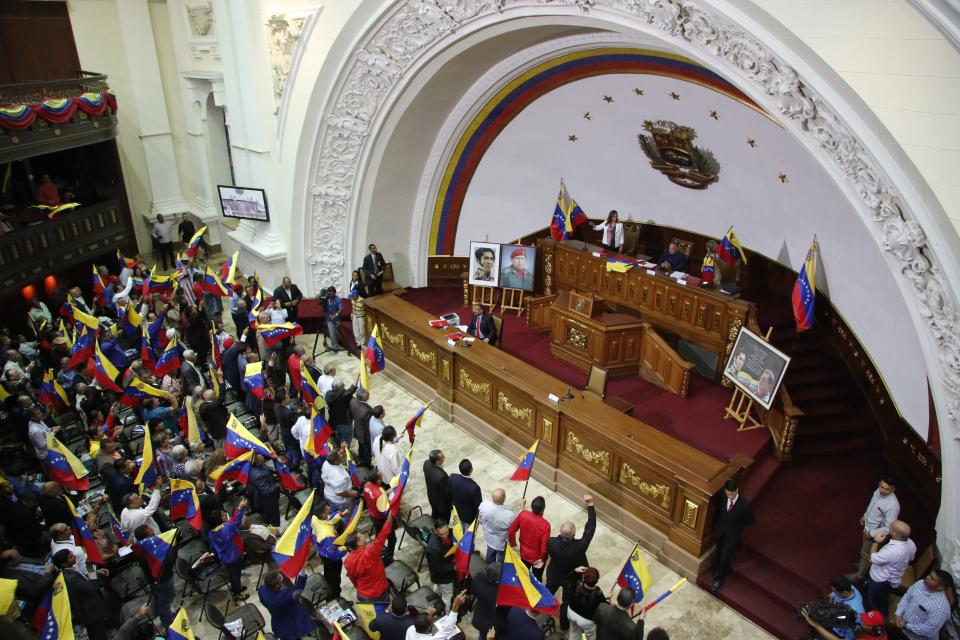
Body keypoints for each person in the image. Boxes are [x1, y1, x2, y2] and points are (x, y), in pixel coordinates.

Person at [546, 494, 596, 615]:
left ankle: (541, 610)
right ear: (574, 534)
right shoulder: (580, 547)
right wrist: (590, 505)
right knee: (566, 602)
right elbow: (590, 528)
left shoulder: (551, 543)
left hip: (554, 574)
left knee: (547, 594)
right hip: (572, 578)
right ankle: (564, 623)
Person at [51, 549, 109, 640]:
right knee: (99, 635)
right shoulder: (70, 578)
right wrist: (89, 566)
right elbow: (92, 586)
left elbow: (81, 577)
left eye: (72, 553)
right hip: (90, 613)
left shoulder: (68, 572)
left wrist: (96, 572)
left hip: (89, 610)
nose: (74, 556)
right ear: (64, 564)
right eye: (71, 557)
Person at [864, 519, 915, 614]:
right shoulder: (911, 543)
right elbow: (911, 558)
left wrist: (876, 542)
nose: (888, 528)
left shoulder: (891, 551)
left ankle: (876, 619)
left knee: (876, 602)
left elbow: (872, 559)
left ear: (895, 534)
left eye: (891, 527)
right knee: (883, 597)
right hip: (894, 578)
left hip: (880, 581)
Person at [711, 479, 754, 591]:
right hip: (721, 531)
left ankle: (719, 580)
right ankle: (721, 569)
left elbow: (750, 520)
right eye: (729, 494)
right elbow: (718, 513)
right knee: (719, 553)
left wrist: (738, 526)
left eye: (733, 494)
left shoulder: (744, 505)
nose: (731, 496)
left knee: (724, 557)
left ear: (737, 491)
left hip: (732, 535)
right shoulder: (723, 497)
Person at [132, 523, 177, 628]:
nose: (153, 529)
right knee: (165, 603)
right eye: (150, 529)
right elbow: (168, 561)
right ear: (147, 534)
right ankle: (169, 626)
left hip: (156, 580)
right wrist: (173, 547)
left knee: (163, 601)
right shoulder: (151, 550)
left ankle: (168, 616)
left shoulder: (141, 548)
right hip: (163, 580)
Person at [344, 512, 396, 601]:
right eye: (361, 536)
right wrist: (390, 517)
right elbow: (383, 534)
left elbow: (353, 579)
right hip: (379, 593)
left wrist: (359, 587)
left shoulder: (347, 561)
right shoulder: (371, 552)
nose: (364, 536)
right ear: (359, 543)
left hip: (363, 595)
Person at [856, 475, 900, 581]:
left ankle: (859, 576)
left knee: (868, 555)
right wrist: (865, 515)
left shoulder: (893, 506)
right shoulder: (878, 491)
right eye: (881, 486)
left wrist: (871, 533)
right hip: (868, 526)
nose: (882, 490)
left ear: (893, 489)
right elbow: (872, 504)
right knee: (864, 551)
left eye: (886, 489)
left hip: (874, 533)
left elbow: (889, 527)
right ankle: (862, 565)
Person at [894, 569, 953, 640]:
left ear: (940, 587)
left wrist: (906, 625)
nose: (927, 577)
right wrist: (898, 613)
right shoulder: (920, 583)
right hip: (901, 625)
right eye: (929, 575)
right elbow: (907, 597)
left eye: (932, 579)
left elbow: (928, 630)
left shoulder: (941, 607)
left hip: (914, 637)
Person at [257, 570, 316, 640]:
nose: (282, 580)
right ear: (276, 586)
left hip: (279, 623)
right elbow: (298, 591)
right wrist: (301, 575)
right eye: (280, 580)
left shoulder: (262, 590)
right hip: (291, 625)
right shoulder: (282, 597)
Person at [208, 500, 248, 603]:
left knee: (232, 574)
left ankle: (236, 589)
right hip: (234, 556)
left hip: (225, 557)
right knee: (236, 575)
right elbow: (236, 522)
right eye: (223, 515)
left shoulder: (212, 533)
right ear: (219, 519)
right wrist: (240, 508)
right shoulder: (226, 529)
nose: (226, 515)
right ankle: (238, 594)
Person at [508, 495, 551, 581]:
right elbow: (544, 547)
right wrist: (542, 559)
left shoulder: (523, 514)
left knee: (523, 573)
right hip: (537, 558)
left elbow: (511, 531)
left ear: (531, 506)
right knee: (536, 578)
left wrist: (513, 545)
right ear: (543, 509)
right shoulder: (545, 525)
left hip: (523, 552)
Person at [478, 487, 517, 564]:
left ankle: (489, 569)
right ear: (504, 498)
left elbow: (481, 520)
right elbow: (514, 528)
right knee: (501, 559)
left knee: (489, 554)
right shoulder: (510, 515)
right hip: (501, 542)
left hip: (489, 538)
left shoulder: (484, 505)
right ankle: (498, 570)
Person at [425, 518, 456, 613]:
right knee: (447, 596)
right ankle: (446, 614)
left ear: (448, 526)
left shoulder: (449, 533)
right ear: (435, 531)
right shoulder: (434, 548)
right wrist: (453, 567)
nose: (445, 536)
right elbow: (437, 567)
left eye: (446, 532)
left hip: (437, 574)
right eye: (441, 534)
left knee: (438, 587)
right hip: (443, 576)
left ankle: (436, 594)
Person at [566, 567, 606, 640]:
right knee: (590, 638)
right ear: (597, 581)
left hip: (571, 612)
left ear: (583, 577)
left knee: (573, 632)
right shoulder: (599, 595)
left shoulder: (576, 583)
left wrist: (575, 571)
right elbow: (603, 607)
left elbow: (567, 579)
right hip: (586, 621)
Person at [470, 562, 507, 638]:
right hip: (491, 626)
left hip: (478, 617)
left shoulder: (478, 577)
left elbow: (473, 590)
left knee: (481, 636)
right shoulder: (501, 592)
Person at [827, 575, 865, 640]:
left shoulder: (856, 611)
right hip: (836, 618)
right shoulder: (849, 587)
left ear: (844, 592)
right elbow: (832, 595)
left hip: (840, 632)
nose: (834, 593)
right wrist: (832, 595)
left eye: (836, 592)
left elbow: (851, 633)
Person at [448, 459, 482, 527]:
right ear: (471, 469)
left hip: (456, 511)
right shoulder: (474, 488)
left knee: (457, 529)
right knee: (467, 534)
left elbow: (449, 493)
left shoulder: (452, 477)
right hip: (468, 517)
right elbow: (478, 505)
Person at [249, 453, 281, 526]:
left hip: (271, 499)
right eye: (261, 457)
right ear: (257, 461)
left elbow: (270, 469)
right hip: (267, 503)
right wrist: (277, 485)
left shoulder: (260, 466)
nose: (263, 457)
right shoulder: (257, 476)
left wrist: (275, 460)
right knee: (274, 522)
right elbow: (266, 492)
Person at [423, 449, 451, 520]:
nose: (444, 457)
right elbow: (446, 492)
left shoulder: (426, 464)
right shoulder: (441, 477)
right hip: (442, 505)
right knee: (443, 522)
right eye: (442, 457)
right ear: (437, 461)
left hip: (432, 497)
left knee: (434, 514)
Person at [351, 387, 374, 467]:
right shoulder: (366, 410)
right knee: (367, 450)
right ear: (364, 398)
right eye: (368, 395)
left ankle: (360, 459)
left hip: (357, 428)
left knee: (361, 447)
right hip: (365, 433)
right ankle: (367, 464)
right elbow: (370, 424)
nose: (369, 396)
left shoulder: (353, 401)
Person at [321, 286, 342, 353]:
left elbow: (341, 309)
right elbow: (324, 307)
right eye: (329, 294)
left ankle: (336, 343)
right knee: (332, 333)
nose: (331, 295)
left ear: (335, 293)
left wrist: (335, 315)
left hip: (337, 318)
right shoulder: (327, 298)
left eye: (332, 293)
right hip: (329, 318)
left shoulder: (338, 299)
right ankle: (335, 348)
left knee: (335, 332)